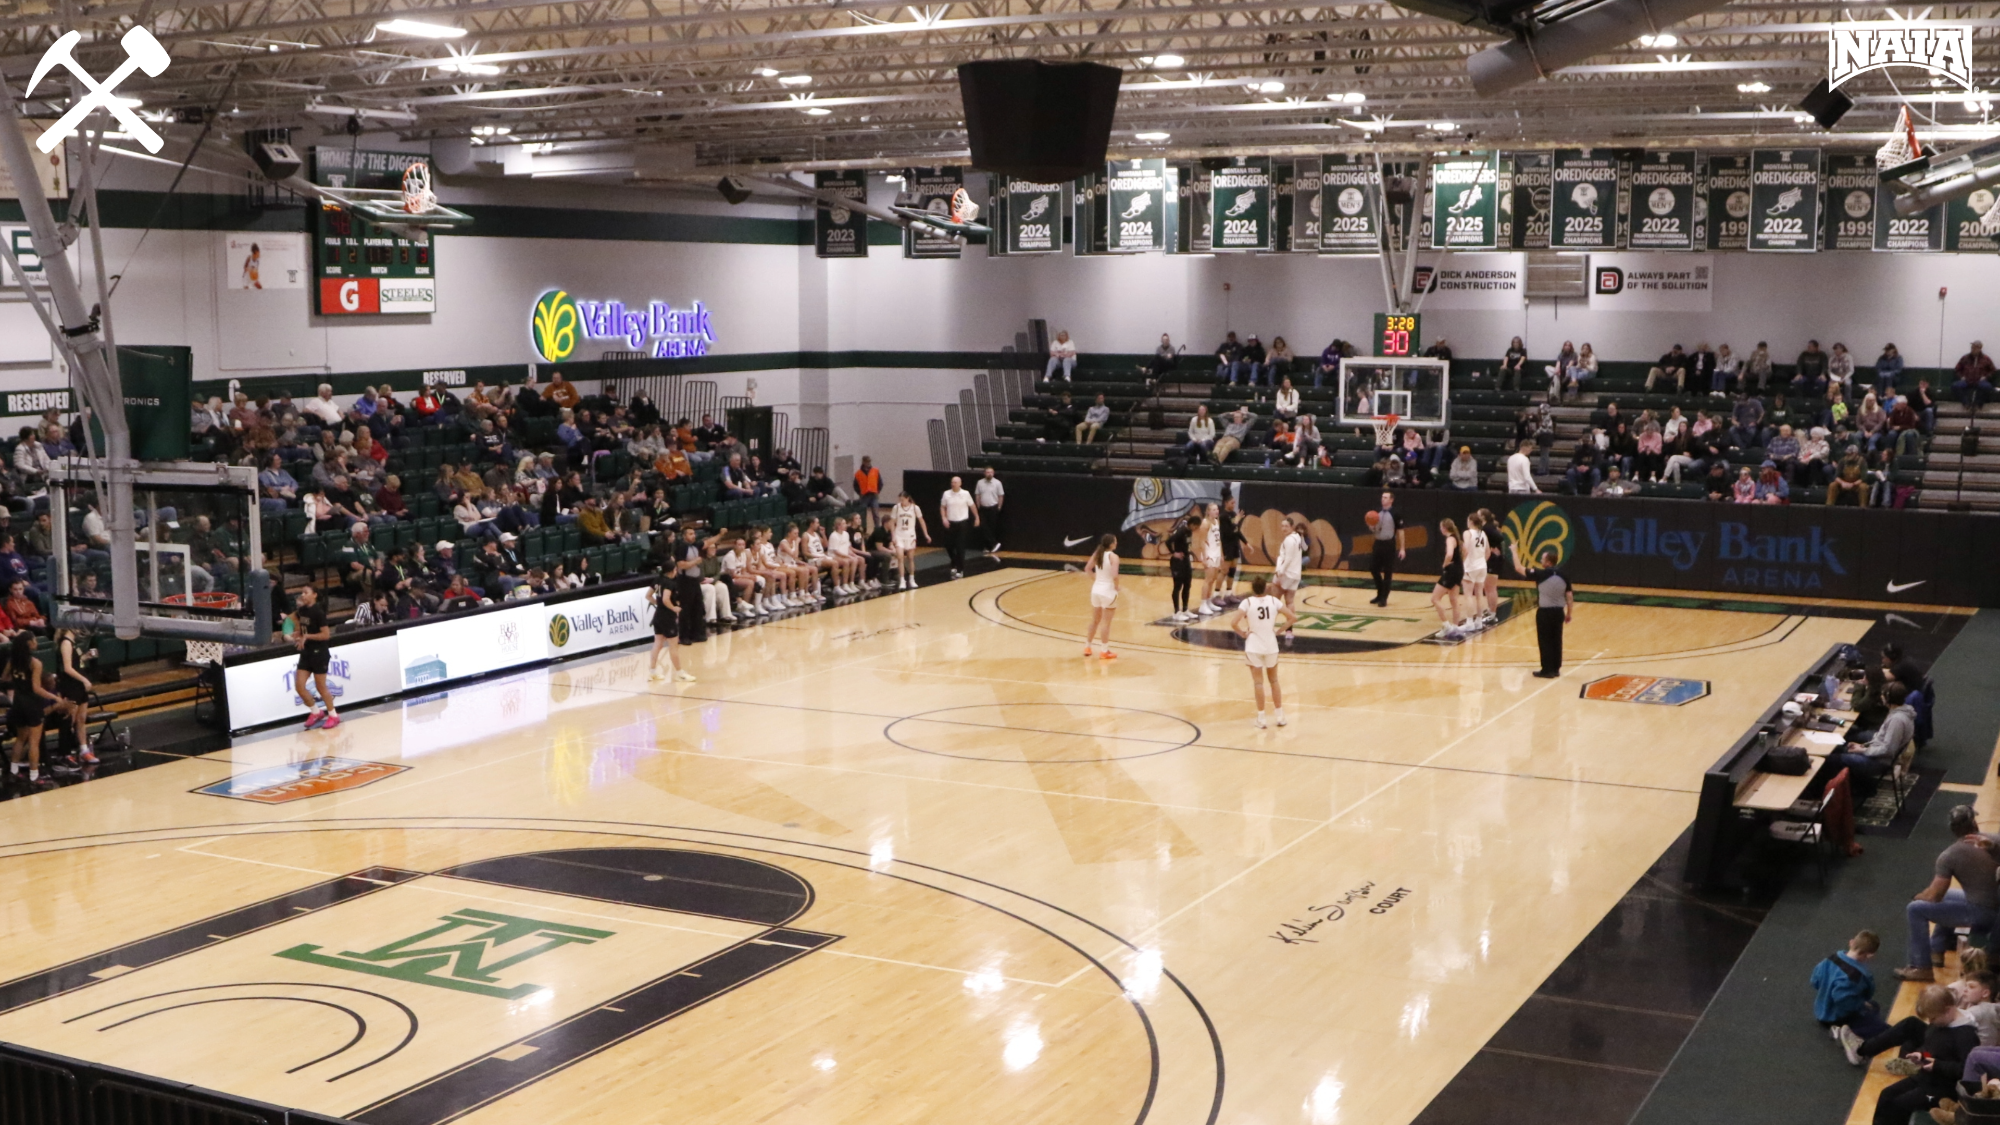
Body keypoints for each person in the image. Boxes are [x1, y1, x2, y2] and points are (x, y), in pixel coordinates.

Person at [1891, 804, 1998, 984]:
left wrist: (1918, 896)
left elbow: (1934, 896)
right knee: (1949, 896)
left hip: (1982, 913)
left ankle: (1921, 967)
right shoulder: (1993, 840)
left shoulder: (1949, 855)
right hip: (1994, 904)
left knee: (1915, 909)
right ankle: (1937, 949)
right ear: (1974, 822)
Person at [1849, 984, 1978, 1125]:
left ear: (1948, 1010)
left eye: (1933, 1018)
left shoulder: (1966, 1035)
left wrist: (1937, 1065)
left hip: (1943, 1090)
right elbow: (1933, 1047)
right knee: (1886, 1095)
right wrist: (1921, 1055)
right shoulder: (1941, 1024)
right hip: (1926, 1078)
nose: (1930, 1022)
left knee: (1900, 1105)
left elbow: (1966, 1070)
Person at [1233, 575, 1295, 729]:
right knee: (1274, 681)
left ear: (1253, 589)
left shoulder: (1247, 602)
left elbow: (1233, 623)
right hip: (1271, 645)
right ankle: (1280, 716)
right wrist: (1279, 630)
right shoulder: (1274, 601)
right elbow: (1292, 617)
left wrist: (1242, 633)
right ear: (1265, 588)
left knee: (1258, 683)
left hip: (1254, 645)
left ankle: (1261, 718)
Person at [1817, 930, 1890, 1050]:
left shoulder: (1830, 959)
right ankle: (1845, 1032)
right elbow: (1843, 1000)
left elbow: (1815, 980)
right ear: (1869, 955)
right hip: (1838, 1017)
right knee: (1885, 1030)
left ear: (1851, 942)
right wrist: (1860, 1005)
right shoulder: (1854, 976)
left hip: (1822, 1009)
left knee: (1874, 1006)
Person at [2, 633, 58, 789]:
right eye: (33, 639)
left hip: (18, 702)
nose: (35, 642)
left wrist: (18, 681)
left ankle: (14, 771)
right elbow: (36, 688)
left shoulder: (12, 661)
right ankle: (34, 776)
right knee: (34, 742)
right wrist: (56, 699)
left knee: (20, 739)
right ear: (28, 643)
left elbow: (5, 678)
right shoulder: (35, 663)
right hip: (32, 703)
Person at [1512, 546, 1572, 678]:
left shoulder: (1541, 574)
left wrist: (1514, 551)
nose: (1540, 560)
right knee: (1557, 640)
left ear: (1548, 562)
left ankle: (1547, 669)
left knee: (1545, 641)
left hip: (1545, 612)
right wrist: (1569, 613)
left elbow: (1519, 568)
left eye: (1543, 558)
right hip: (1558, 612)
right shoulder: (1564, 575)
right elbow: (1569, 595)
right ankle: (1556, 668)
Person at [289, 584, 338, 730]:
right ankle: (316, 712)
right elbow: (301, 627)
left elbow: (326, 635)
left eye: (306, 592)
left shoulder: (318, 612)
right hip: (307, 652)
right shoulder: (302, 610)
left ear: (314, 595)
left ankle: (334, 715)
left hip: (319, 652)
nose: (303, 595)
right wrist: (298, 635)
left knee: (321, 686)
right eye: (302, 592)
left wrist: (307, 636)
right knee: (299, 686)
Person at [52, 627, 94, 765]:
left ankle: (84, 750)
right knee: (69, 721)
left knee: (81, 719)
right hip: (70, 686)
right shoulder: (66, 643)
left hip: (78, 686)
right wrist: (84, 680)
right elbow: (67, 668)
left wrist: (85, 657)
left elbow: (75, 663)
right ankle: (65, 753)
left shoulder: (73, 643)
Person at [647, 567, 694, 682]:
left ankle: (652, 672)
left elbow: (648, 596)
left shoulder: (657, 580)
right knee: (673, 646)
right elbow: (665, 599)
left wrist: (658, 604)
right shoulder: (670, 583)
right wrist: (673, 608)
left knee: (657, 643)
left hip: (658, 616)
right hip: (668, 618)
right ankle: (679, 673)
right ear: (672, 570)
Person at [1082, 534, 1120, 661]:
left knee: (1095, 620)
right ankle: (1104, 650)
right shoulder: (1114, 557)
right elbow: (1115, 575)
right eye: (1115, 541)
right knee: (1106, 623)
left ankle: (1088, 647)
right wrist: (1116, 587)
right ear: (1111, 544)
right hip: (1108, 592)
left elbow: (1087, 568)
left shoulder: (1097, 553)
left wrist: (1096, 580)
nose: (1116, 542)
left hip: (1096, 590)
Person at [1367, 491, 1403, 607]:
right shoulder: (1377, 513)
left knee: (1388, 572)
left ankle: (1384, 598)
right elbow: (1375, 529)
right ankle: (1379, 593)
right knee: (1373, 568)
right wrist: (1371, 526)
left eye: (1386, 497)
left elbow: (1401, 531)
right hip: (1378, 543)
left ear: (1391, 500)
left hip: (1389, 544)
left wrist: (1402, 548)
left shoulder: (1395, 513)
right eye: (1382, 497)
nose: (1383, 499)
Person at [1430, 518, 1465, 639]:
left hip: (1452, 570)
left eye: (1441, 527)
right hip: (1459, 570)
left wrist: (1445, 564)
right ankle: (1455, 627)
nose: (1440, 529)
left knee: (1435, 598)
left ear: (1444, 528)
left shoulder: (1450, 539)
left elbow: (1449, 554)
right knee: (1454, 600)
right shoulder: (1457, 538)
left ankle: (1446, 625)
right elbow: (1465, 551)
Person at [939, 475, 978, 578]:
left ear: (960, 484)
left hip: (962, 523)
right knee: (949, 545)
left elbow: (972, 506)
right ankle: (954, 562)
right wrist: (944, 518)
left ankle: (960, 569)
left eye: (955, 482)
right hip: (950, 522)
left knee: (960, 546)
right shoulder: (946, 494)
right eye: (952, 482)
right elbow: (942, 507)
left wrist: (977, 517)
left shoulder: (965, 494)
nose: (953, 484)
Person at [890, 491, 929, 591]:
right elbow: (892, 523)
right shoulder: (896, 508)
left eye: (902, 499)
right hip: (899, 535)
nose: (901, 501)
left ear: (907, 499)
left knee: (911, 558)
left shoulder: (915, 508)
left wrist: (926, 534)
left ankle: (911, 578)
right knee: (900, 557)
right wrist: (893, 536)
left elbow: (921, 521)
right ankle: (902, 580)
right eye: (900, 500)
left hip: (910, 536)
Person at [1460, 511, 1493, 631]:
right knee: (1479, 594)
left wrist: (1463, 562)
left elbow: (1466, 547)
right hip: (1482, 566)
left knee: (1468, 595)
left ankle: (1469, 622)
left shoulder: (1467, 533)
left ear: (1470, 521)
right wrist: (1481, 561)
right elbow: (1488, 552)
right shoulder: (1482, 533)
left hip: (1471, 566)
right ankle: (1479, 621)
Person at [1271, 516, 1304, 635]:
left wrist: (1280, 572)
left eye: (1286, 526)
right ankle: (1289, 631)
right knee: (1290, 602)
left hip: (1286, 573)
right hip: (1295, 574)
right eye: (1282, 526)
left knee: (1273, 601)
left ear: (1292, 527)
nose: (1284, 528)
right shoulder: (1297, 537)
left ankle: (1268, 627)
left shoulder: (1289, 540)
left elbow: (1288, 558)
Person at [1197, 503, 1226, 615]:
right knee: (1208, 579)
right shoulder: (1205, 523)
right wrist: (1204, 557)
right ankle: (1203, 604)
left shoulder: (1216, 521)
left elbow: (1218, 540)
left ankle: (1209, 602)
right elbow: (1202, 541)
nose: (1216, 511)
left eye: (1217, 509)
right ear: (1208, 511)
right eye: (1213, 510)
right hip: (1209, 553)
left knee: (1213, 578)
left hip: (1216, 553)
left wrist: (1222, 554)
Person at [1166, 516, 1194, 622]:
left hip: (1186, 561)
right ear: (1192, 524)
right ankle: (1176, 612)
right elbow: (1168, 541)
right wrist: (1174, 553)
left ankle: (1185, 609)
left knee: (1187, 585)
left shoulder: (1189, 532)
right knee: (1177, 586)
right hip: (1177, 562)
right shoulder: (1181, 532)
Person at [974, 466, 1005, 554]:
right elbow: (977, 495)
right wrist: (978, 506)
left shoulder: (997, 483)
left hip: (993, 507)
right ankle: (993, 544)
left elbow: (1001, 496)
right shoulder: (980, 483)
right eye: (987, 472)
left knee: (991, 527)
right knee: (983, 527)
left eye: (991, 472)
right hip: (983, 508)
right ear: (984, 473)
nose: (989, 474)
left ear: (993, 473)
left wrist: (999, 507)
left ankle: (990, 546)